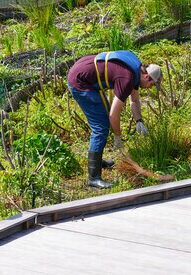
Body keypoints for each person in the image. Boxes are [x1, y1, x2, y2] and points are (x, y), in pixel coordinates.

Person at [67, 50, 162, 189]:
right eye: (152, 85)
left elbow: (134, 100)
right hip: (80, 81)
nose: (150, 88)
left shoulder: (137, 70)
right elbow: (114, 114)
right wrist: (118, 137)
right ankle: (93, 179)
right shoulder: (128, 79)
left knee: (103, 121)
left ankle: (97, 161)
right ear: (147, 76)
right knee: (101, 127)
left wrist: (139, 120)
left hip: (84, 69)